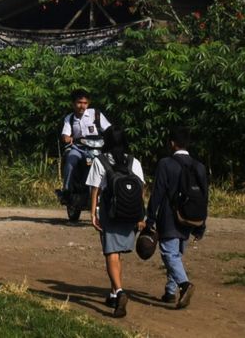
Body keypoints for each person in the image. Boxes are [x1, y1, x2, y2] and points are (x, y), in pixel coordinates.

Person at [145, 126, 209, 310]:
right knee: (177, 254)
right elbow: (204, 198)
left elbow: (157, 192)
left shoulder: (166, 164)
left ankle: (184, 285)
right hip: (192, 217)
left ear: (172, 143)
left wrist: (150, 219)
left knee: (169, 253)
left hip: (170, 216)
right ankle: (170, 291)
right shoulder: (199, 166)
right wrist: (201, 224)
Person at [88, 125, 147, 318]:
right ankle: (113, 293)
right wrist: (141, 216)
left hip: (110, 212)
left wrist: (93, 214)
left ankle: (120, 292)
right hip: (130, 213)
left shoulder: (100, 161)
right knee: (117, 254)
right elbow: (141, 189)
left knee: (111, 253)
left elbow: (95, 189)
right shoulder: (134, 161)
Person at [60, 89, 111, 207]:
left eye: (85, 103)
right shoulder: (70, 118)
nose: (82, 106)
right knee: (71, 159)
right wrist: (66, 138)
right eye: (79, 102)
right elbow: (65, 134)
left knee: (109, 165)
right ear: (73, 104)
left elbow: (109, 129)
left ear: (88, 103)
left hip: (97, 149)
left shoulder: (96, 114)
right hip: (79, 148)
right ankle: (67, 191)